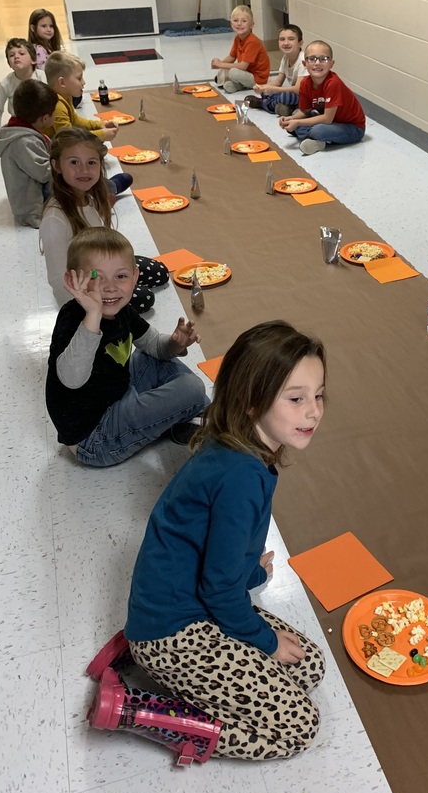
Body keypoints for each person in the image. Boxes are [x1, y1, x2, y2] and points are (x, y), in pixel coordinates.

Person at [125, 320, 327, 760]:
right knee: (299, 728)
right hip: (174, 632)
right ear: (251, 404)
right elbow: (218, 588)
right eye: (296, 399)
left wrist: (251, 571)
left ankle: (194, 684)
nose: (313, 411)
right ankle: (148, 712)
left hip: (202, 603)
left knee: (310, 667)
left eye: (318, 395)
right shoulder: (240, 477)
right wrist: (265, 640)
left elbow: (220, 558)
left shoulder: (245, 452)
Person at [45, 227, 208, 467]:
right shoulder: (72, 318)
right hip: (95, 438)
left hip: (116, 397)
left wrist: (174, 344)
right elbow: (71, 380)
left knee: (153, 358)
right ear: (72, 280)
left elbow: (154, 345)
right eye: (96, 276)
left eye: (120, 276)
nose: (110, 287)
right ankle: (200, 415)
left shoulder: (123, 311)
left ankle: (197, 417)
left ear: (135, 277)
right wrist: (93, 314)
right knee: (193, 387)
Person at [39, 127, 166, 311]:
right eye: (74, 162)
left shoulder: (88, 197)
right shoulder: (55, 219)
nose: (84, 169)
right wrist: (86, 308)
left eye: (91, 162)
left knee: (159, 271)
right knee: (145, 298)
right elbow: (58, 279)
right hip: (85, 289)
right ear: (56, 166)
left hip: (100, 268)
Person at [278, 40, 366, 156]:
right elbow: (305, 111)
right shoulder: (305, 83)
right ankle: (318, 141)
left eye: (323, 59)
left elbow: (327, 119)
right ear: (305, 64)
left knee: (317, 130)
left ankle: (318, 139)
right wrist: (291, 119)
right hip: (330, 122)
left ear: (331, 63)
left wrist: (298, 123)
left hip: (352, 128)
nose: (317, 63)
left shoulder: (333, 83)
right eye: (312, 59)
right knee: (296, 113)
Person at [0, 79, 57, 228]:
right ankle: (108, 188)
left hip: (31, 197)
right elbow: (44, 173)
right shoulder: (25, 142)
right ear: (45, 118)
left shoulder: (17, 130)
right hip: (33, 208)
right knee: (74, 179)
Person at [43, 51, 117, 140]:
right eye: (79, 78)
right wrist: (101, 135)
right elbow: (69, 139)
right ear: (62, 82)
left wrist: (100, 125)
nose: (83, 82)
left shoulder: (65, 95)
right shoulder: (57, 105)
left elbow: (75, 120)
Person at [0, 39, 47, 144]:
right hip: (18, 122)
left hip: (40, 119)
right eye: (11, 55)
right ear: (9, 64)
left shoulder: (41, 76)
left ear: (33, 60)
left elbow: (49, 100)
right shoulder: (6, 83)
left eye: (21, 53)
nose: (16, 57)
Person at [246, 23, 308, 116]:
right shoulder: (285, 58)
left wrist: (273, 89)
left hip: (305, 96)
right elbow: (278, 82)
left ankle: (263, 104)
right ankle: (285, 107)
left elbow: (298, 89)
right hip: (295, 95)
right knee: (269, 92)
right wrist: (263, 87)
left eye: (291, 39)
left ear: (300, 43)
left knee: (286, 96)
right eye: (282, 39)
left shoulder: (303, 60)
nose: (286, 43)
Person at [210, 4, 271, 94]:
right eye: (235, 20)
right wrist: (219, 63)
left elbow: (243, 66)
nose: (239, 24)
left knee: (233, 72)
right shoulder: (237, 38)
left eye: (244, 21)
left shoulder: (252, 42)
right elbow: (231, 57)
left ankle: (236, 83)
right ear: (231, 24)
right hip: (246, 73)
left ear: (251, 25)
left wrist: (221, 64)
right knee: (226, 68)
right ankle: (237, 85)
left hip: (257, 79)